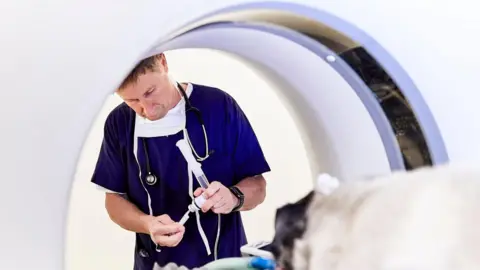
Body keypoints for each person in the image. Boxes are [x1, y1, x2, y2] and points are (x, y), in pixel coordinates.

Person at [91, 53, 271, 270]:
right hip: (155, 262)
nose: (147, 110)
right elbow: (114, 200)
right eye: (132, 101)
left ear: (163, 63)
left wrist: (233, 197)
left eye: (150, 92)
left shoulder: (218, 106)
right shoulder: (119, 123)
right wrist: (147, 224)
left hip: (224, 259)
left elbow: (257, 186)